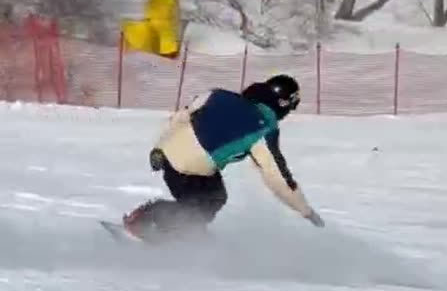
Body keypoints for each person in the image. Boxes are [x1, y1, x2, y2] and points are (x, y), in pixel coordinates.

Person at [122, 74, 325, 241]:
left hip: (169, 156)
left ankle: (182, 232)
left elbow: (181, 116)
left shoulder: (218, 95)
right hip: (191, 167)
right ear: (283, 104)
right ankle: (146, 221)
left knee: (213, 198)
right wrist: (305, 210)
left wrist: (159, 148)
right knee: (204, 207)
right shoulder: (263, 129)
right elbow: (277, 177)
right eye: (292, 106)